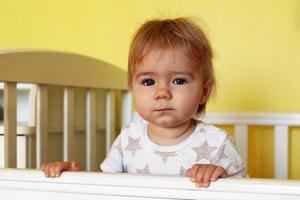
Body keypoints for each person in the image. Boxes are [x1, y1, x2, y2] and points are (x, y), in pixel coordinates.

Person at [41, 17, 246, 187]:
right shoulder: (129, 139)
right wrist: (71, 177)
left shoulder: (217, 144)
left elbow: (249, 192)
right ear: (132, 88)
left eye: (179, 80)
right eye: (148, 81)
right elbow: (101, 182)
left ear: (204, 91)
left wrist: (220, 176)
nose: (162, 92)